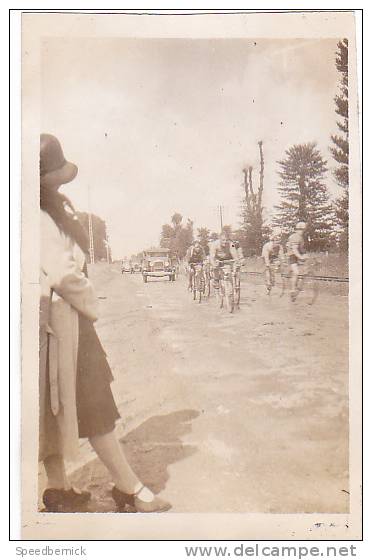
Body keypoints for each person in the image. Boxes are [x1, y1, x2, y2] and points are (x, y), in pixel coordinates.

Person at [39, 134, 171, 513]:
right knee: (96, 403)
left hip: (52, 321)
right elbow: (63, 275)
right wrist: (91, 302)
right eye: (56, 174)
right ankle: (128, 487)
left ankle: (59, 487)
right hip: (65, 320)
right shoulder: (38, 216)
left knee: (55, 402)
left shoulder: (46, 210)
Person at [286, 221, 308, 301]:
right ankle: (292, 290)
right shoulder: (295, 236)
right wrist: (301, 257)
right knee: (296, 272)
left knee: (303, 273)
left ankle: (297, 286)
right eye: (302, 230)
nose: (302, 231)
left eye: (303, 230)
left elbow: (301, 249)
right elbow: (294, 250)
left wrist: (305, 255)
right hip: (292, 256)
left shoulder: (300, 237)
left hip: (298, 256)